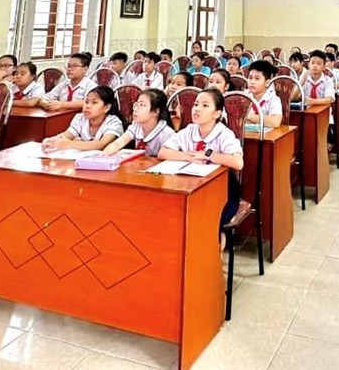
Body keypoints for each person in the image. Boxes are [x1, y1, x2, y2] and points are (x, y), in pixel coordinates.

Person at [160, 89, 245, 247]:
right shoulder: (189, 130)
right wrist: (190, 156)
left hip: (223, 191)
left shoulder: (224, 134)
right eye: (196, 104)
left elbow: (238, 162)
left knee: (205, 220)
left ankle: (216, 243)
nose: (197, 109)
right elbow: (163, 152)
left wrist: (208, 155)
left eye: (205, 105)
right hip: (192, 186)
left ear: (217, 114)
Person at [43, 85, 124, 152]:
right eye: (86, 102)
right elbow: (66, 136)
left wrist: (70, 144)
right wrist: (52, 140)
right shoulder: (80, 118)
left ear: (106, 107)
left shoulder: (114, 122)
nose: (87, 106)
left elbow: (101, 144)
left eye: (94, 102)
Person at [105, 88, 175, 157]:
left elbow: (168, 157)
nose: (135, 109)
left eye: (142, 105)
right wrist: (103, 156)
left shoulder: (166, 134)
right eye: (136, 104)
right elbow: (118, 143)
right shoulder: (136, 126)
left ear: (156, 111)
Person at [245, 60, 282, 128]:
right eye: (250, 78)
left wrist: (247, 116)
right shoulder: (243, 96)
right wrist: (264, 120)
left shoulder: (273, 99)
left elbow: (275, 122)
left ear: (267, 83)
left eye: (257, 78)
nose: (252, 82)